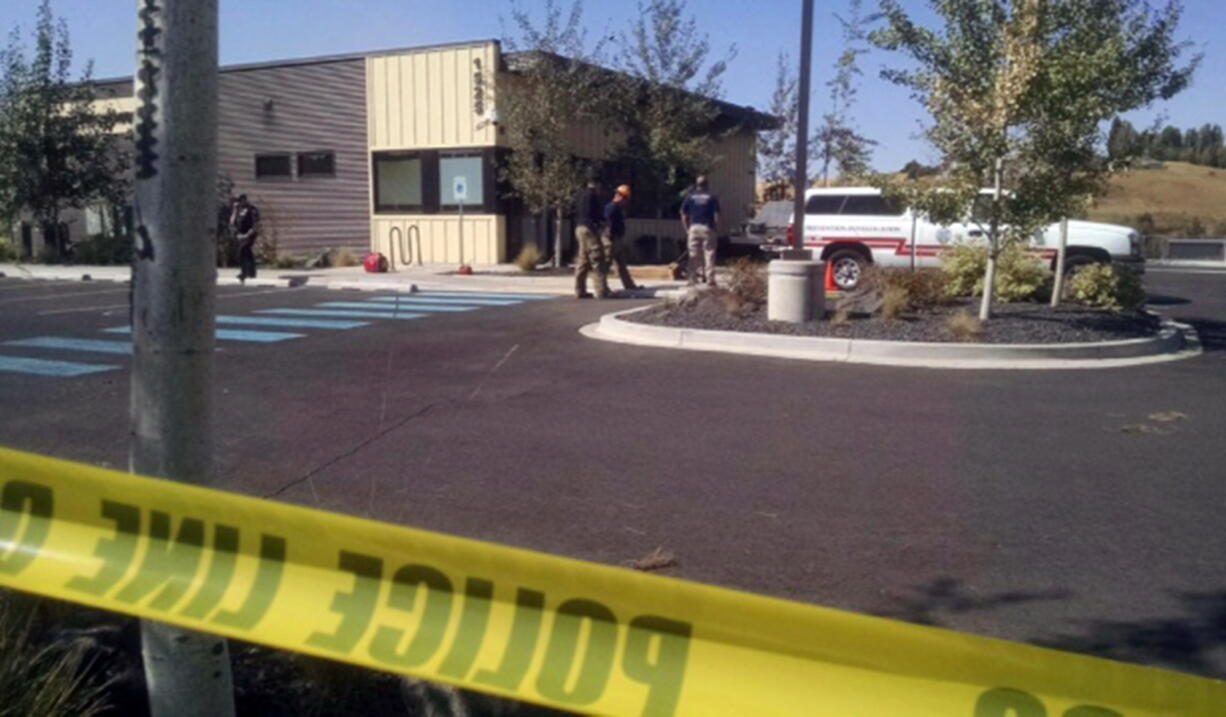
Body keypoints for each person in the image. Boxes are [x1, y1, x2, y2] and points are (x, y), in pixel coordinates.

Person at [680, 175, 720, 286]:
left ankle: (692, 279)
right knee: (709, 253)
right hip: (707, 227)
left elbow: (683, 214)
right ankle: (710, 279)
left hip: (694, 227)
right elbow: (716, 215)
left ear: (697, 184)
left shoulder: (690, 197)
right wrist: (715, 228)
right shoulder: (712, 197)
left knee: (693, 254)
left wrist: (687, 229)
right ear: (707, 184)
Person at [573, 176, 610, 299]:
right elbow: (592, 214)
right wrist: (599, 224)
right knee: (597, 258)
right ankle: (601, 290)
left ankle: (580, 289)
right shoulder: (591, 196)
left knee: (583, 259)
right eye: (599, 185)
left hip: (579, 228)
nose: (600, 188)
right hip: (589, 229)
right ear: (595, 183)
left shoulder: (580, 195)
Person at [603, 184, 638, 291]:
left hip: (617, 239)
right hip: (611, 239)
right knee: (605, 264)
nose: (626, 202)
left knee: (621, 264)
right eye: (626, 198)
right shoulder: (612, 207)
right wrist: (610, 236)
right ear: (621, 197)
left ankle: (629, 285)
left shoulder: (618, 208)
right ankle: (602, 286)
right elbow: (607, 222)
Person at [229, 194, 260, 282]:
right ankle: (250, 272)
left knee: (244, 249)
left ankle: (246, 273)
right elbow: (231, 222)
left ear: (245, 199)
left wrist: (247, 235)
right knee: (245, 252)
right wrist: (235, 209)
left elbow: (255, 224)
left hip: (250, 234)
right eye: (238, 201)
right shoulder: (238, 210)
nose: (239, 202)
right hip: (240, 234)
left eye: (240, 200)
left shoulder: (252, 209)